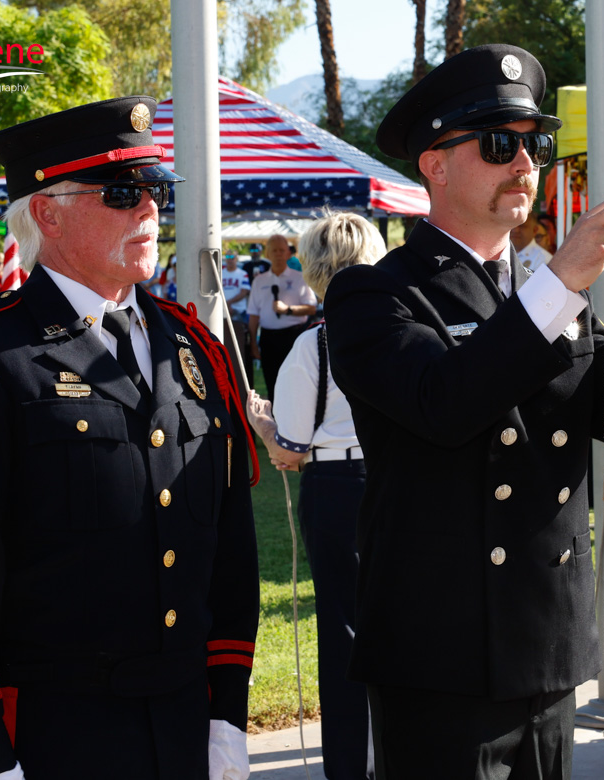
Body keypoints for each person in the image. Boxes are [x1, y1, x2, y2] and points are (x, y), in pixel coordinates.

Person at [0, 96, 260, 780]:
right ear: (47, 213)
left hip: (186, 724)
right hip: (56, 737)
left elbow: (229, 548)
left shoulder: (192, 346)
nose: (149, 209)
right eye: (123, 193)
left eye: (153, 190)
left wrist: (225, 716)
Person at [323, 44, 604, 779]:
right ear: (434, 163)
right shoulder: (376, 293)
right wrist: (561, 281)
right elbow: (445, 403)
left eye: (535, 145)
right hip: (440, 658)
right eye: (500, 144)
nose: (524, 163)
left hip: (545, 642)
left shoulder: (541, 292)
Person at [247, 212, 384, 780]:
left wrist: (262, 424)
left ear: (316, 269)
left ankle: (351, 766)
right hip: (396, 483)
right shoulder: (403, 332)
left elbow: (293, 448)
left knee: (344, 628)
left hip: (335, 488)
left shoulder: (313, 346)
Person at [247, 234, 317, 403]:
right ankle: (276, 425)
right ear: (267, 254)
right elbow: (254, 314)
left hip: (294, 336)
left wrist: (289, 310)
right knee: (273, 383)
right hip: (269, 338)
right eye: (274, 250)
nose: (278, 254)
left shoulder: (300, 278)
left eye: (282, 250)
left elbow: (311, 307)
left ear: (288, 254)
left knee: (296, 383)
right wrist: (254, 343)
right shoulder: (259, 281)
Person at [221, 250, 252, 387]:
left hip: (238, 312)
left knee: (239, 345)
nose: (229, 259)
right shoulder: (221, 272)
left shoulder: (242, 273)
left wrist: (229, 303)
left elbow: (244, 292)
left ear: (236, 258)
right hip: (222, 312)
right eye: (227, 257)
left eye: (232, 257)